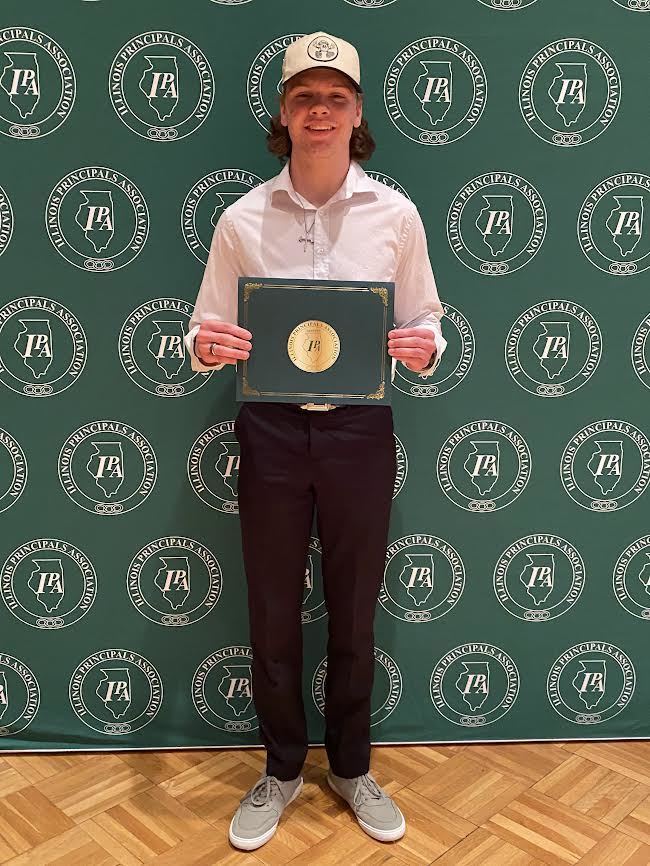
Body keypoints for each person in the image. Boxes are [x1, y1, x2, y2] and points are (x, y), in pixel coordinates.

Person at [184, 31, 447, 852]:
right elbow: (203, 328)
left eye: (336, 97)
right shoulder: (242, 219)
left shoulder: (396, 216)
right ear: (284, 115)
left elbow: (428, 321)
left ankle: (352, 767)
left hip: (361, 433)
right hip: (269, 429)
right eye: (305, 97)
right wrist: (205, 347)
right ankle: (282, 768)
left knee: (356, 607)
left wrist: (424, 348)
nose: (321, 111)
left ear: (358, 112)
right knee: (270, 609)